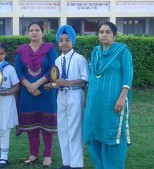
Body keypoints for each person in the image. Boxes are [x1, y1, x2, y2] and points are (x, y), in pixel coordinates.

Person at [83, 21, 133, 169]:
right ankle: (100, 165)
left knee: (111, 131)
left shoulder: (122, 51)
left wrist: (122, 97)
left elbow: (128, 75)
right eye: (101, 32)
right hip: (95, 101)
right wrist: (87, 96)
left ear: (114, 35)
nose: (104, 34)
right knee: (94, 130)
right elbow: (93, 75)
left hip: (113, 100)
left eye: (107, 32)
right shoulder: (95, 51)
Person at [14, 21, 58, 167]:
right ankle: (33, 154)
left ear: (42, 32)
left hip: (46, 91)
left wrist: (37, 84)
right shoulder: (21, 50)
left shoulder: (50, 49)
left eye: (37, 30)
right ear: (28, 33)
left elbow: (53, 69)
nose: (33, 32)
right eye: (31, 30)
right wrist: (29, 86)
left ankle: (47, 155)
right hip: (27, 93)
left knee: (47, 126)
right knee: (31, 126)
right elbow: (18, 71)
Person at [54, 25, 89, 169]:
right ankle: (66, 162)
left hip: (74, 94)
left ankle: (76, 164)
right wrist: (53, 84)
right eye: (61, 40)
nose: (64, 43)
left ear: (73, 41)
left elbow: (85, 79)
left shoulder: (79, 59)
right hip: (61, 95)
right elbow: (56, 79)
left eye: (67, 40)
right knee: (62, 128)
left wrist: (67, 82)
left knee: (74, 129)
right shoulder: (57, 60)